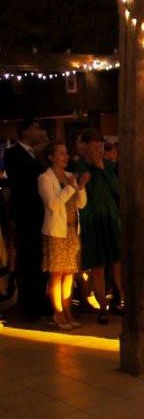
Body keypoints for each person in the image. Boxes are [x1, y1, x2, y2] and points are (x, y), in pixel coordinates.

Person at [74, 129, 123, 324]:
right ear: (85, 147)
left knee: (117, 260)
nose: (98, 150)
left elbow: (117, 190)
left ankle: (119, 299)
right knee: (98, 267)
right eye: (94, 146)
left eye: (100, 146)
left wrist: (102, 167)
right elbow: (83, 196)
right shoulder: (79, 166)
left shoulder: (109, 165)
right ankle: (102, 307)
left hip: (110, 218)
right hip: (92, 220)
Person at [39, 140, 88, 330]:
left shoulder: (70, 176)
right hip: (56, 232)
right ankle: (58, 313)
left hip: (72, 230)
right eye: (61, 153)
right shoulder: (45, 178)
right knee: (57, 274)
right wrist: (70, 187)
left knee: (70, 274)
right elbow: (53, 204)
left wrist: (81, 186)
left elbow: (81, 204)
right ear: (51, 157)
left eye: (66, 153)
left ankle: (68, 311)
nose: (66, 157)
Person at [4, 118, 48, 320]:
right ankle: (26, 304)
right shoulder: (13, 153)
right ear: (25, 130)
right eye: (36, 127)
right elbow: (26, 180)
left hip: (38, 215)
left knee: (38, 259)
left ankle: (38, 301)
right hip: (24, 215)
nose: (40, 131)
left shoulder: (34, 154)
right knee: (27, 259)